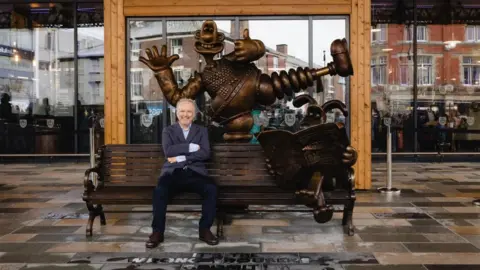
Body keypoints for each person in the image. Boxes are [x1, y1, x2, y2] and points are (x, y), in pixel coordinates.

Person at [146, 98, 219, 248]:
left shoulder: (202, 131)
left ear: (194, 114)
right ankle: (157, 232)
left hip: (195, 173)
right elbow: (168, 151)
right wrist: (191, 147)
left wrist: (181, 157)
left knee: (211, 189)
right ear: (176, 113)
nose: (185, 115)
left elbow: (205, 153)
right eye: (182, 111)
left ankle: (204, 229)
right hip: (173, 173)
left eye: (189, 112)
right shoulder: (168, 131)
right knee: (160, 191)